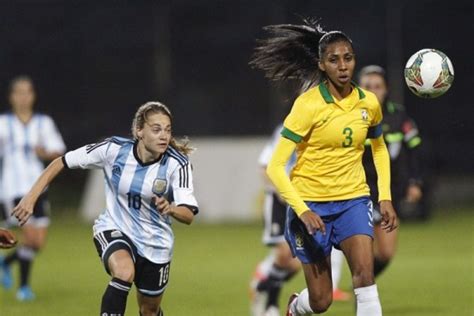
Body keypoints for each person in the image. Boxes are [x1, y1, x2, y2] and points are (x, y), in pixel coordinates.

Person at [250, 18, 398, 316]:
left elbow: (379, 146)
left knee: (365, 280)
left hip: (353, 201)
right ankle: (296, 306)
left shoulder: (368, 103)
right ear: (321, 65)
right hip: (311, 207)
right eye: (334, 60)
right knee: (321, 301)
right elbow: (277, 166)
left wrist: (384, 195)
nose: (343, 66)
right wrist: (302, 210)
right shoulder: (307, 106)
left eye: (348, 58)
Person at [12, 101, 199, 316]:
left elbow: (188, 214)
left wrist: (172, 208)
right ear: (139, 131)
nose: (163, 136)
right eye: (156, 129)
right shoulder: (113, 149)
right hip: (115, 227)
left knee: (149, 310)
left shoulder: (178, 164)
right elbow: (61, 161)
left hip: (156, 242)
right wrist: (31, 197)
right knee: (123, 271)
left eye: (167, 130)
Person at [250, 125, 351, 316]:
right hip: (281, 201)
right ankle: (270, 302)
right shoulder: (288, 128)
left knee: (295, 263)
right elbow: (265, 165)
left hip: (308, 201)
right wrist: (281, 191)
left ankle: (264, 285)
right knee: (283, 254)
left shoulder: (327, 127)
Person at [0, 75, 66, 301]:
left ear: (33, 96)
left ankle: (6, 263)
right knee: (28, 237)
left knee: (38, 242)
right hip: (12, 188)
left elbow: (59, 152)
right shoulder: (3, 123)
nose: (23, 97)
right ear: (11, 97)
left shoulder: (43, 123)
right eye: (18, 92)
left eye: (27, 92)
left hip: (38, 189)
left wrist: (45, 153)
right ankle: (24, 288)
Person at [358, 65, 423, 277]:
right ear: (359, 88)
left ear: (386, 89)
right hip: (359, 191)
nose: (373, 90)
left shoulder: (399, 116)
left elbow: (414, 150)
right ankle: (364, 291)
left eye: (378, 86)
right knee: (362, 252)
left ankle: (364, 282)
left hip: (389, 192)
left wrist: (415, 182)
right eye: (368, 86)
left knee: (385, 253)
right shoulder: (351, 116)